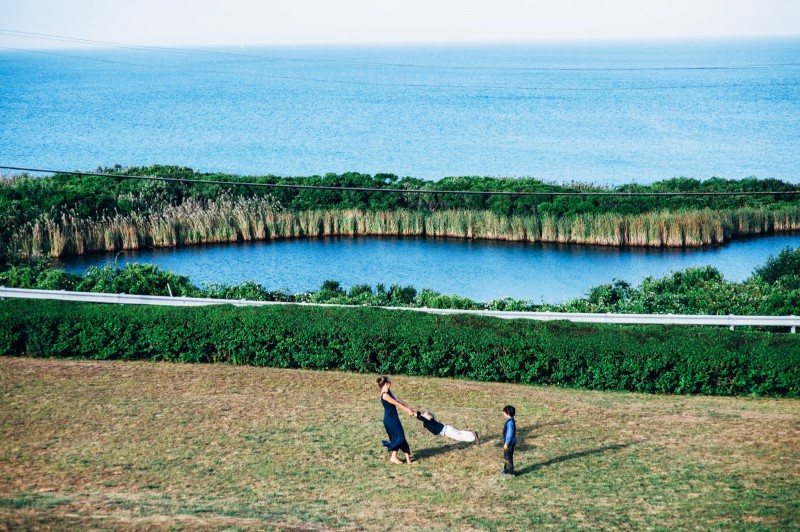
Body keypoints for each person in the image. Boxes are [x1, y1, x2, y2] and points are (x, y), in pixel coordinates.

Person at [377, 376, 416, 464]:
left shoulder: (388, 391)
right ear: (386, 384)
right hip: (389, 420)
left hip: (393, 418)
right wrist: (407, 410)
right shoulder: (385, 395)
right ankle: (394, 457)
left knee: (400, 436)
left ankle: (404, 458)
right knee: (399, 437)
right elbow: (396, 403)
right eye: (390, 383)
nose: (390, 384)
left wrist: (410, 407)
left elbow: (398, 400)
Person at [502, 405, 517, 477]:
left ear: (508, 413)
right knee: (507, 456)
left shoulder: (509, 422)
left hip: (510, 442)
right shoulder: (510, 420)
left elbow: (509, 433)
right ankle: (506, 470)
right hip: (510, 441)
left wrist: (506, 443)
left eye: (504, 413)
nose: (503, 414)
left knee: (508, 456)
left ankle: (510, 472)